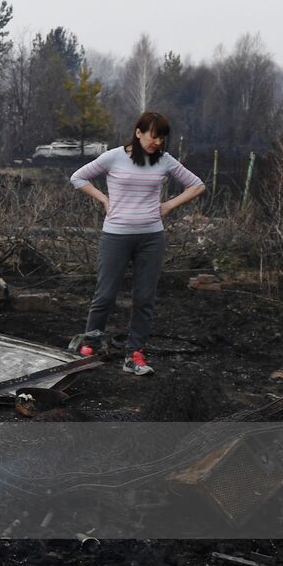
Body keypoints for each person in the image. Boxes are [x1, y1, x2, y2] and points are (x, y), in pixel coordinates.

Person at [68, 111, 206, 375]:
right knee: (105, 295)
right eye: (153, 136)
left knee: (144, 298)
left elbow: (197, 185)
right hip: (116, 235)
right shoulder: (114, 156)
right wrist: (104, 199)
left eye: (162, 138)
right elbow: (78, 177)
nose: (157, 142)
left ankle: (134, 354)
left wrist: (169, 205)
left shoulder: (165, 161)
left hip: (151, 237)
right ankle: (91, 345)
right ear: (139, 132)